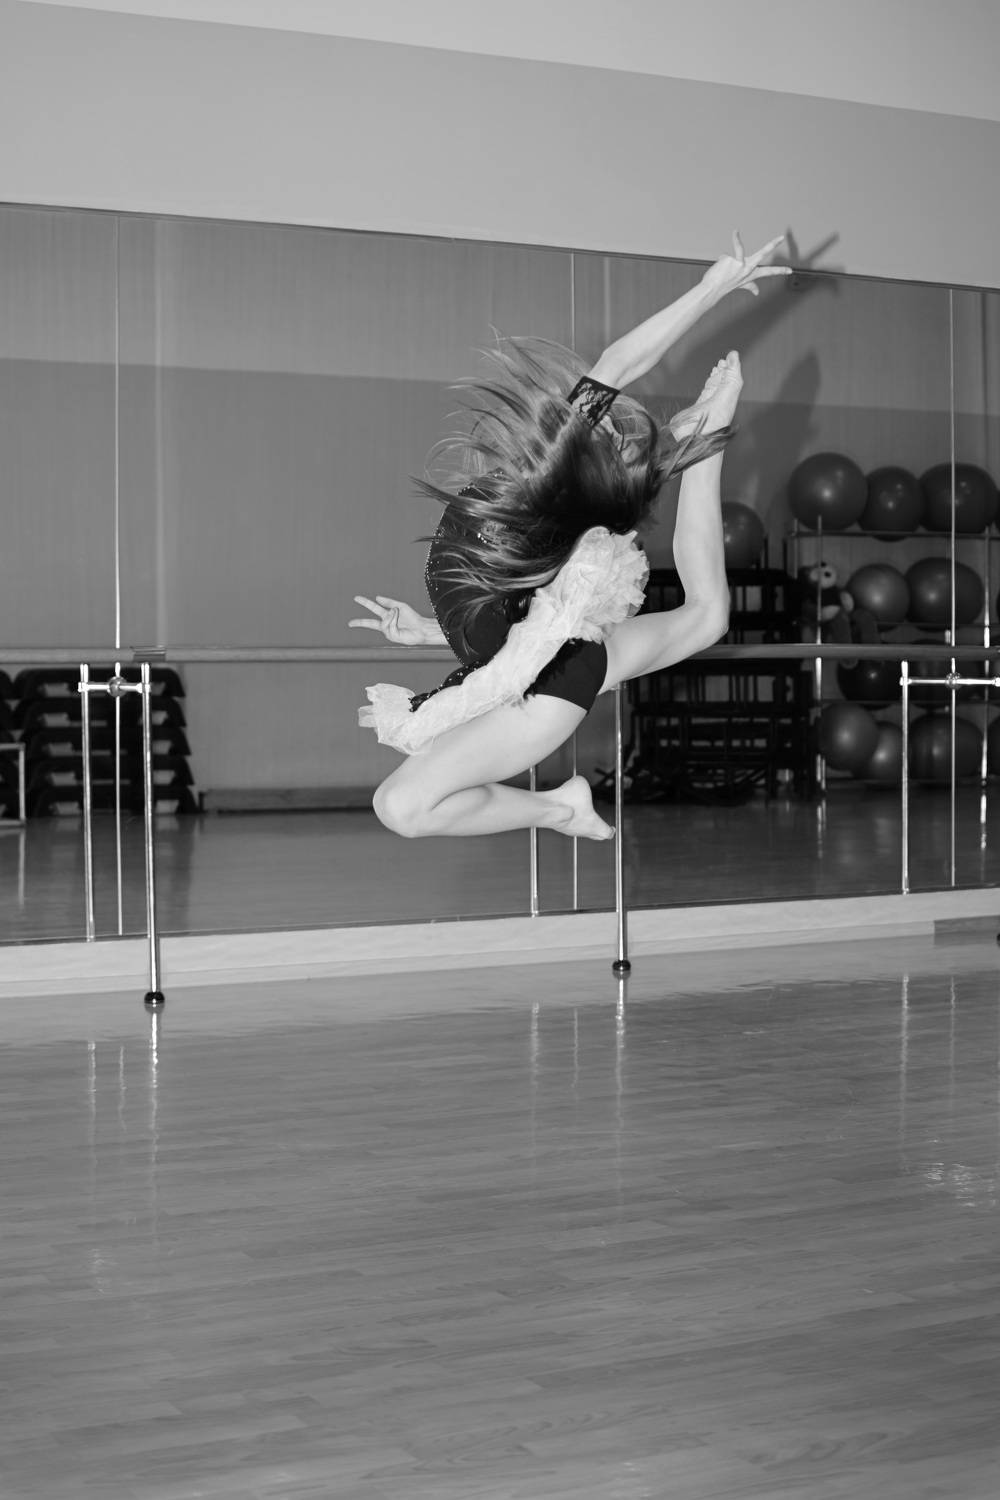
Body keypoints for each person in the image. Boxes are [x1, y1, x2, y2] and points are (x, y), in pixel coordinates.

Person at [351, 232, 790, 840]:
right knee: (708, 617)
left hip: (545, 685)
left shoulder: (543, 489)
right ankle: (708, 435)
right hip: (557, 656)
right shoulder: (532, 489)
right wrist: (430, 630)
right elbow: (506, 609)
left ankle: (561, 810)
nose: (590, 420)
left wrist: (712, 287)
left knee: (402, 806)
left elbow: (619, 363)